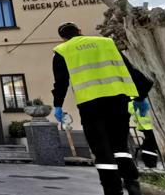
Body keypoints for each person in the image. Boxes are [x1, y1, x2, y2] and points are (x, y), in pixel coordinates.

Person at [52, 22, 153, 195]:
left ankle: (112, 189)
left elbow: (61, 82)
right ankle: (132, 183)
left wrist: (58, 105)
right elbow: (129, 69)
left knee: (101, 149)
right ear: (80, 30)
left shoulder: (63, 50)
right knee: (121, 146)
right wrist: (141, 95)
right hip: (117, 101)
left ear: (63, 37)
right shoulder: (106, 43)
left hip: (90, 105)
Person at [129, 99, 159, 168]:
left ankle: (151, 165)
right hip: (149, 125)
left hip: (147, 125)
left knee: (149, 146)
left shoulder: (132, 97)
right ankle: (151, 165)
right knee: (149, 146)